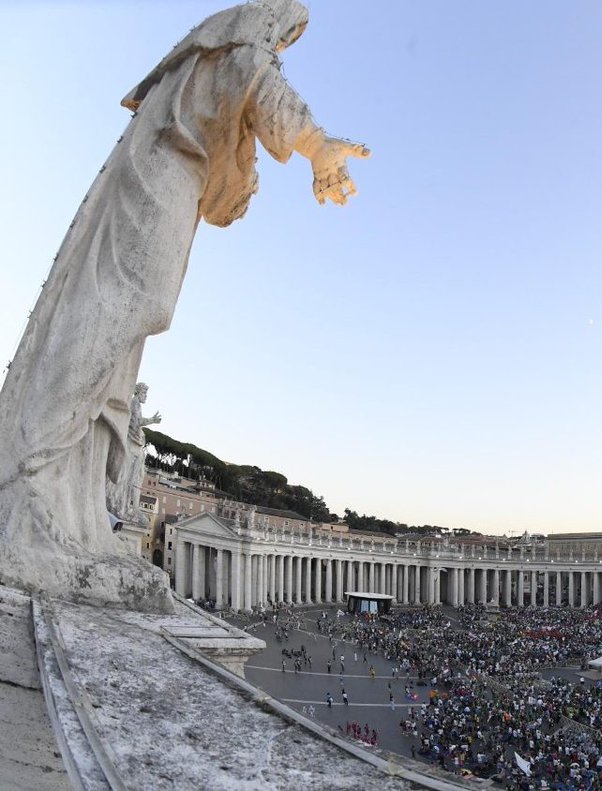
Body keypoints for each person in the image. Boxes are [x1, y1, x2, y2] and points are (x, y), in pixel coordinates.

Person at [0, 0, 367, 596]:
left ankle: (73, 502)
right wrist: (317, 146)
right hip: (165, 173)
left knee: (125, 324)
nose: (282, 46)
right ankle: (31, 480)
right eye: (286, 33)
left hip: (175, 172)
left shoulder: (210, 61)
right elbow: (257, 81)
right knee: (119, 307)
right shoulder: (238, 51)